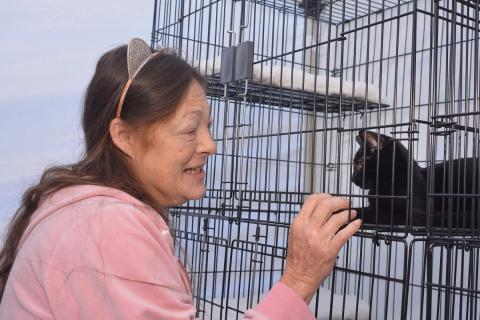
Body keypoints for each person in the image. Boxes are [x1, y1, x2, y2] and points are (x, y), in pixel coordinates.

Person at [0, 38, 361, 319]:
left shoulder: (81, 212)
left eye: (209, 127)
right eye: (190, 130)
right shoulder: (106, 229)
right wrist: (298, 280)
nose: (211, 145)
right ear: (124, 137)